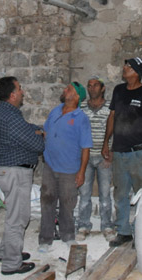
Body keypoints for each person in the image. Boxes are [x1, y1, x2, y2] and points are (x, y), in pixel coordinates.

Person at [102, 57, 142, 247]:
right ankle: (124, 232)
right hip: (120, 152)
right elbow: (112, 117)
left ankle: (140, 234)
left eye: (129, 66)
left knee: (141, 195)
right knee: (120, 194)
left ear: (137, 72)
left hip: (140, 153)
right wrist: (106, 142)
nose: (124, 68)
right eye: (125, 65)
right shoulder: (118, 90)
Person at [0, 76, 45, 276]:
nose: (22, 92)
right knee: (18, 218)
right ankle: (11, 264)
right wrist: (41, 136)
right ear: (13, 95)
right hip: (16, 173)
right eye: (20, 89)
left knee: (13, 214)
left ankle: (5, 252)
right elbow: (37, 145)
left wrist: (37, 130)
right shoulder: (10, 118)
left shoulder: (6, 113)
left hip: (10, 171)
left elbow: (27, 129)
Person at [38, 82, 92, 251]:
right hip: (50, 165)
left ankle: (68, 235)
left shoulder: (81, 118)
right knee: (47, 201)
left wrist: (81, 172)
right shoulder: (56, 111)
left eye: (69, 89)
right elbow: (46, 131)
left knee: (67, 204)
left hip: (69, 169)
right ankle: (45, 239)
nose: (64, 90)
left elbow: (86, 148)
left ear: (76, 97)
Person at [76, 76, 115, 242]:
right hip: (85, 157)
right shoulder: (81, 107)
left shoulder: (110, 107)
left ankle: (107, 225)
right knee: (84, 193)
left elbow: (116, 129)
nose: (92, 88)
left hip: (104, 157)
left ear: (103, 88)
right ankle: (83, 225)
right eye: (89, 86)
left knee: (105, 194)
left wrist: (112, 152)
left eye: (96, 85)